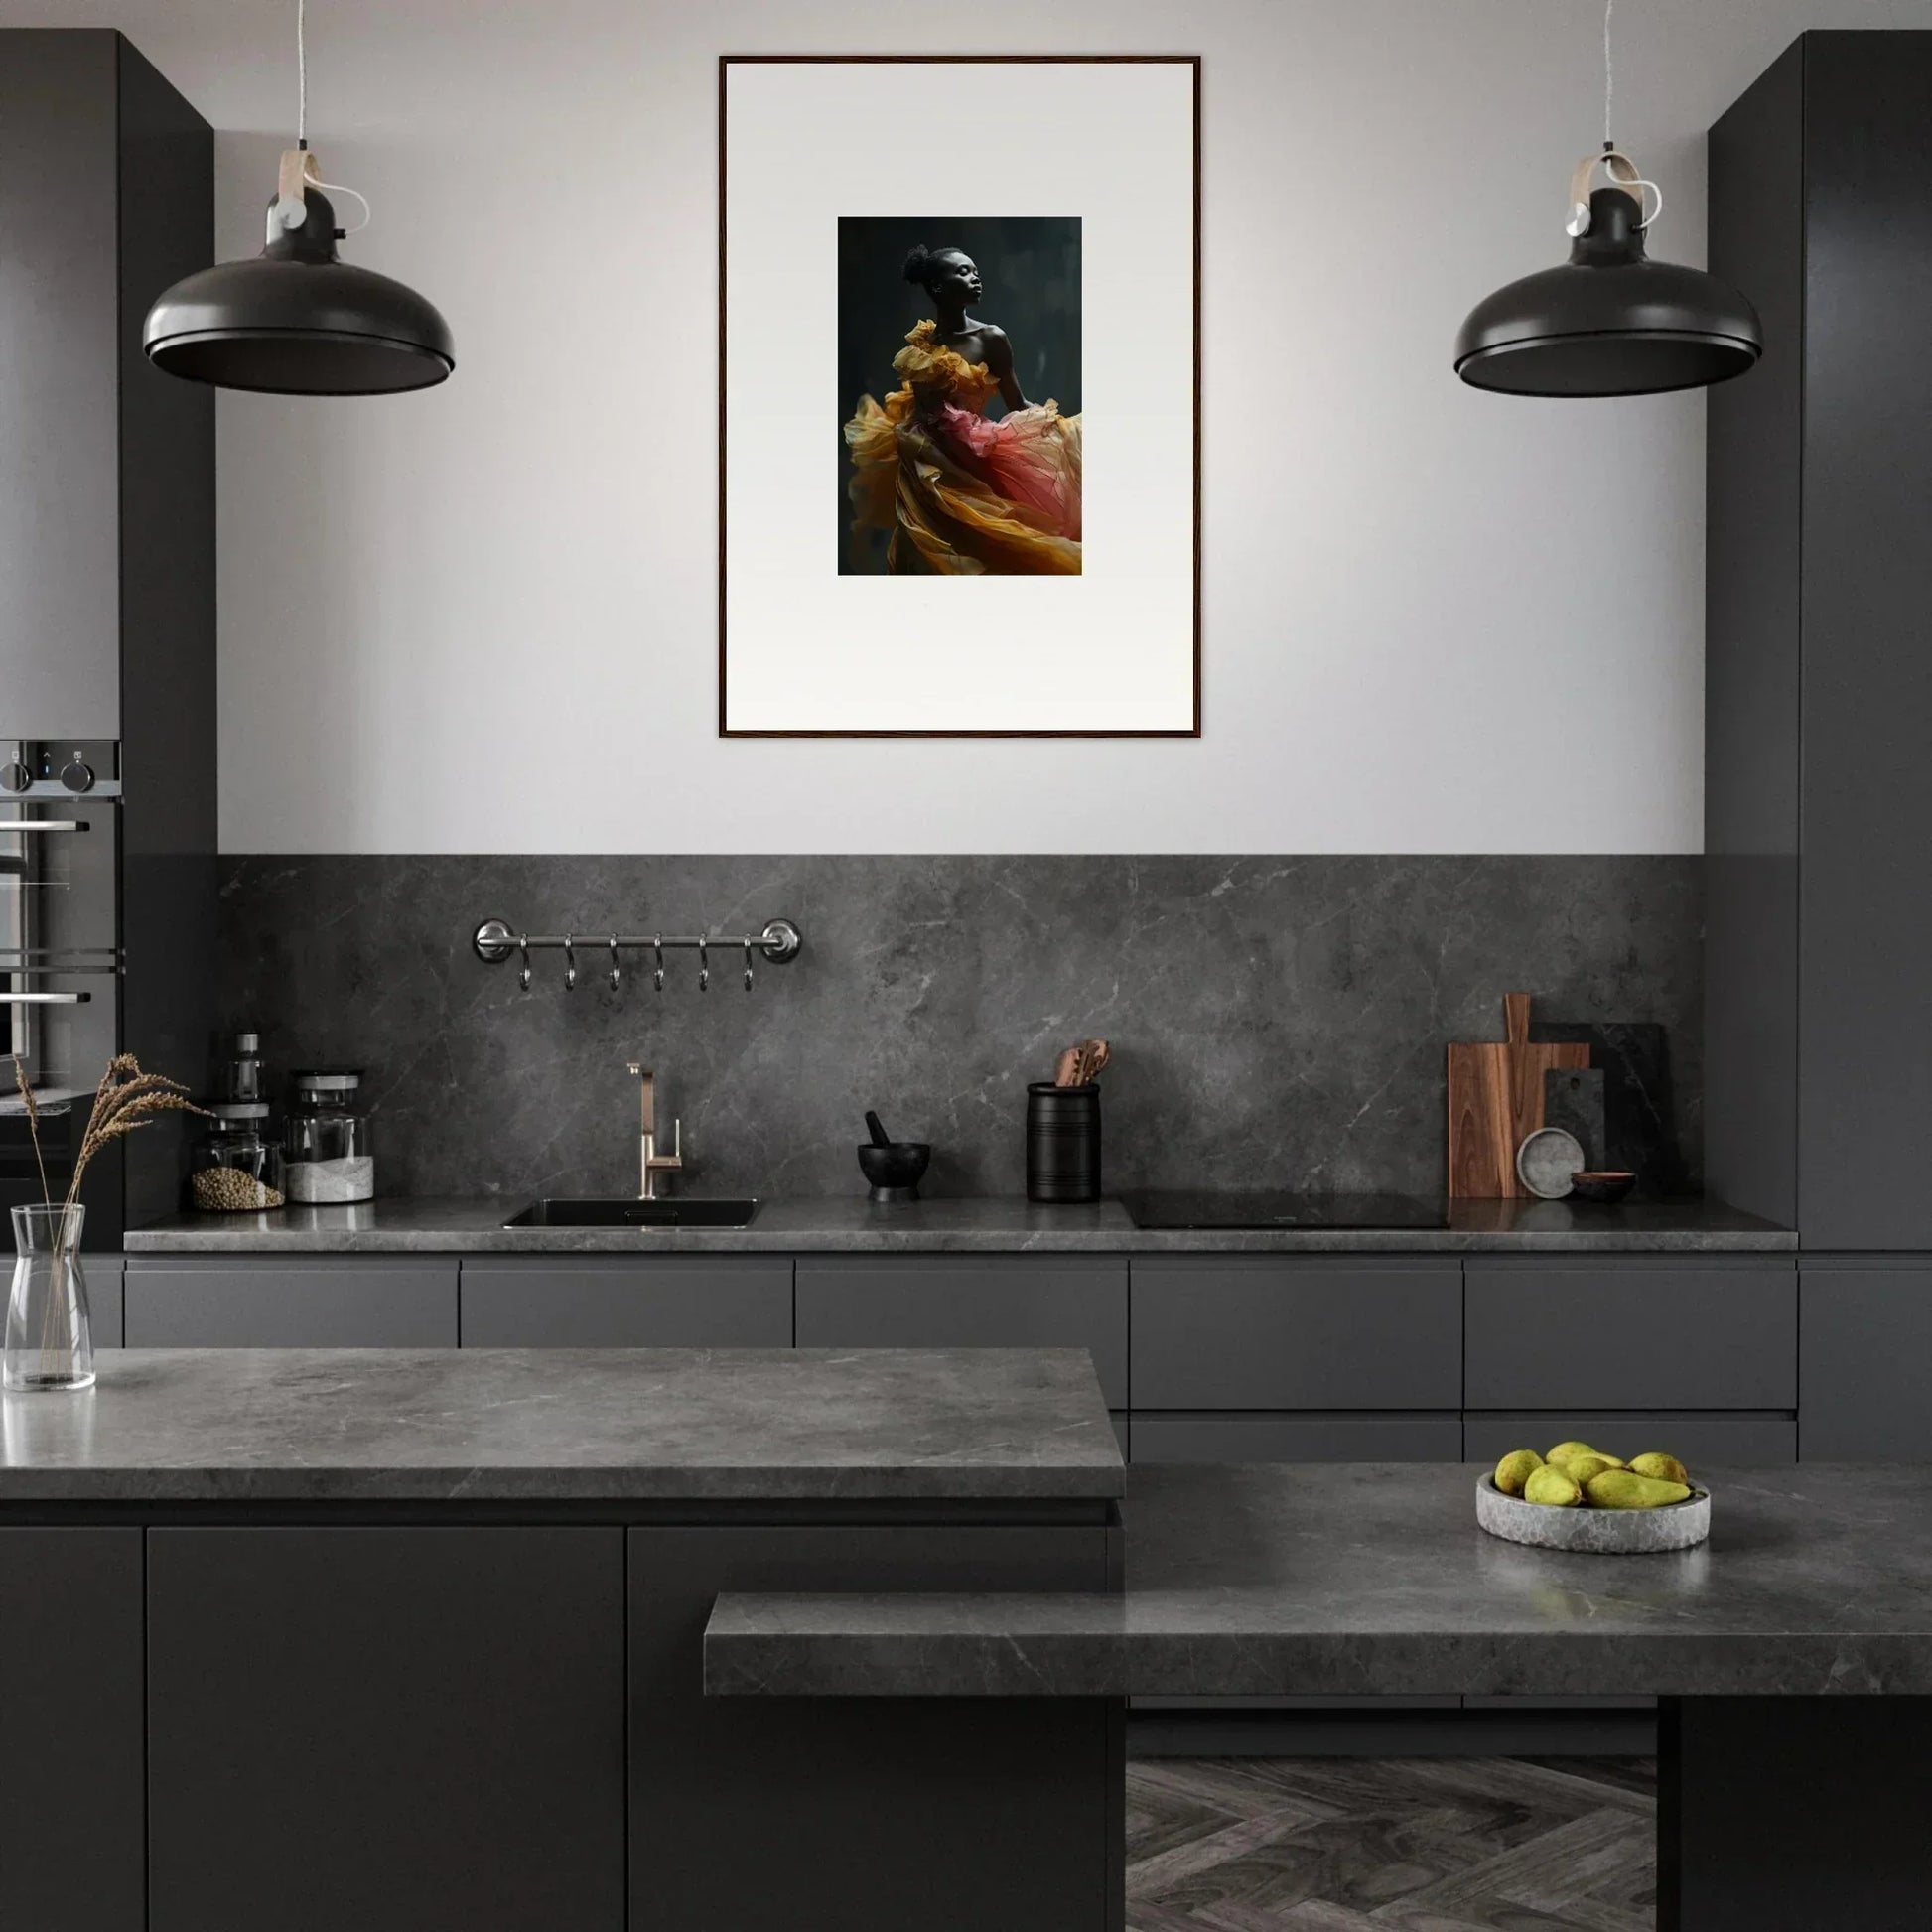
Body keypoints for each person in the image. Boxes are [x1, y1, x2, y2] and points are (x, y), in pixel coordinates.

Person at [844, 243, 1081, 574]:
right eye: (963, 271)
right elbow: (923, 402)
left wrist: (1061, 427)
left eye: (975, 271)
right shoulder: (923, 343)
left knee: (984, 546)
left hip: (969, 459)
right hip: (922, 461)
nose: (975, 277)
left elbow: (1016, 401)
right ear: (939, 287)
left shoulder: (990, 338)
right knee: (924, 551)